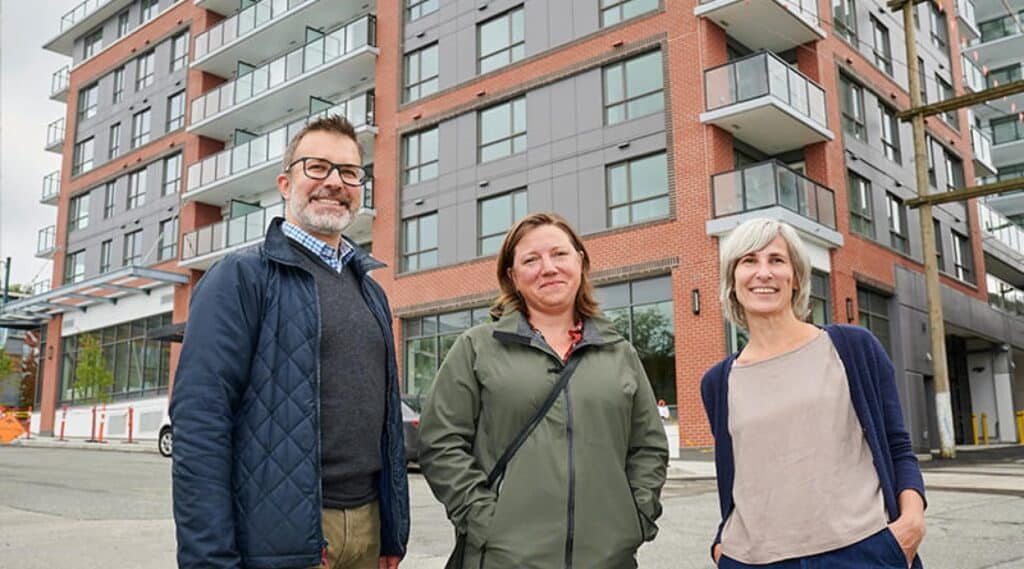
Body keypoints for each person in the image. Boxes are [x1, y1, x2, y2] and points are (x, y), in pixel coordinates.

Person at [170, 115, 409, 569]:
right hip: (285, 538)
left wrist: (391, 530)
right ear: (285, 182)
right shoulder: (240, 278)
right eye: (317, 167)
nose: (335, 182)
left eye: (349, 172)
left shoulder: (371, 290)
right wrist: (210, 560)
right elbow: (201, 427)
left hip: (368, 531)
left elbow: (385, 421)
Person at [418, 212, 669, 569]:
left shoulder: (619, 352)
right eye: (531, 260)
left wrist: (636, 517)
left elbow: (648, 446)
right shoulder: (477, 348)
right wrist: (485, 522)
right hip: (505, 559)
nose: (548, 268)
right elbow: (440, 442)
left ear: (580, 261)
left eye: (559, 254)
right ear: (513, 276)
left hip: (607, 559)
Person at [700, 218, 926, 568]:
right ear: (732, 280)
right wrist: (722, 545)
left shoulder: (853, 348)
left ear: (796, 277)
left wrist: (910, 524)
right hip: (755, 559)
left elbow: (898, 447)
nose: (764, 273)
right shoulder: (717, 382)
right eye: (749, 261)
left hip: (864, 551)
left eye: (776, 260)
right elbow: (737, 478)